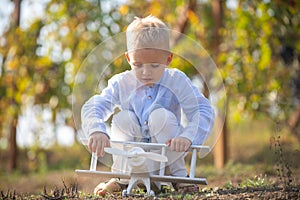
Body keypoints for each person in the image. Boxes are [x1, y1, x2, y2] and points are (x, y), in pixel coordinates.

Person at [81, 15, 215, 195]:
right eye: (138, 65)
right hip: (133, 161)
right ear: (128, 58)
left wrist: (187, 136)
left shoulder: (176, 80)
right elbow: (94, 106)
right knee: (122, 118)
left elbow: (203, 109)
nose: (146, 73)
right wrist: (96, 130)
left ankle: (179, 177)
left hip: (166, 158)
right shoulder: (122, 82)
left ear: (168, 59)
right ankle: (122, 177)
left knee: (161, 116)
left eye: (154, 65)